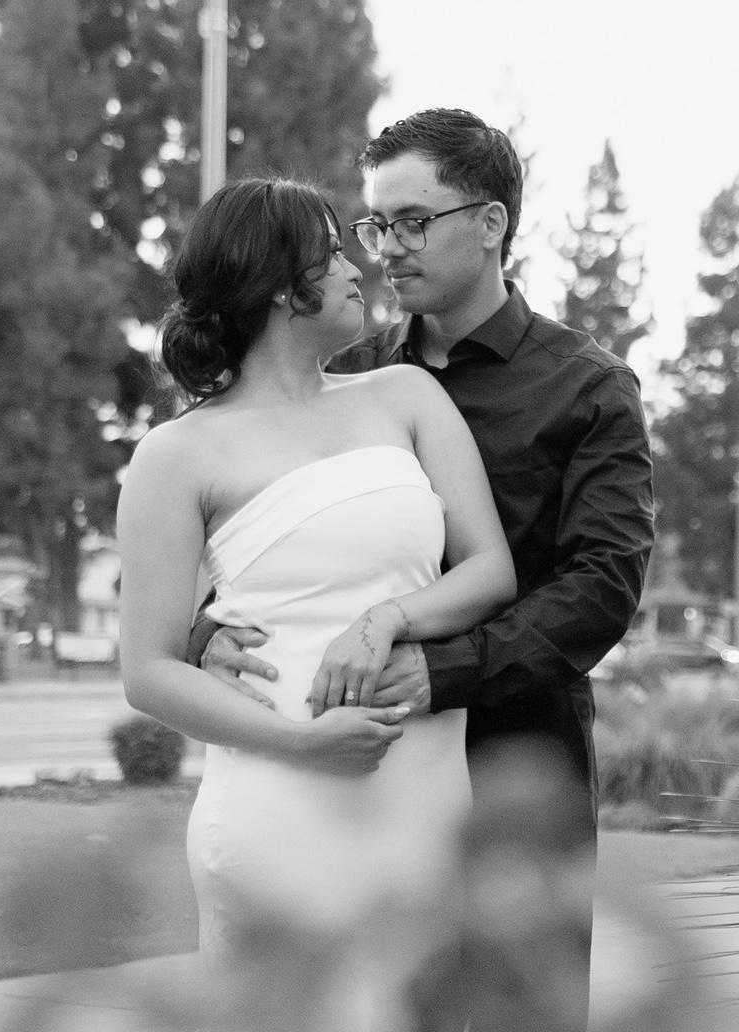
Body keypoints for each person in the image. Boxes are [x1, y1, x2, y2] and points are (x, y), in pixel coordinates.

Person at [191, 108, 656, 1015]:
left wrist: (438, 672)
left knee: (522, 1014)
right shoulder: (345, 373)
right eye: (375, 225)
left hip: (520, 769)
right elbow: (252, 529)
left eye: (413, 221)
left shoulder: (588, 387)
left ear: (490, 223)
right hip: (359, 770)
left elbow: (602, 588)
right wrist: (205, 627)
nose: (387, 249)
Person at [117, 177, 516, 1003]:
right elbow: (147, 670)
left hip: (422, 801)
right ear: (277, 285)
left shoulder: (406, 396)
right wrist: (303, 745)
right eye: (332, 253)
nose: (356, 268)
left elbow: (490, 572)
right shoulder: (175, 455)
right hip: (275, 807)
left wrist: (386, 619)